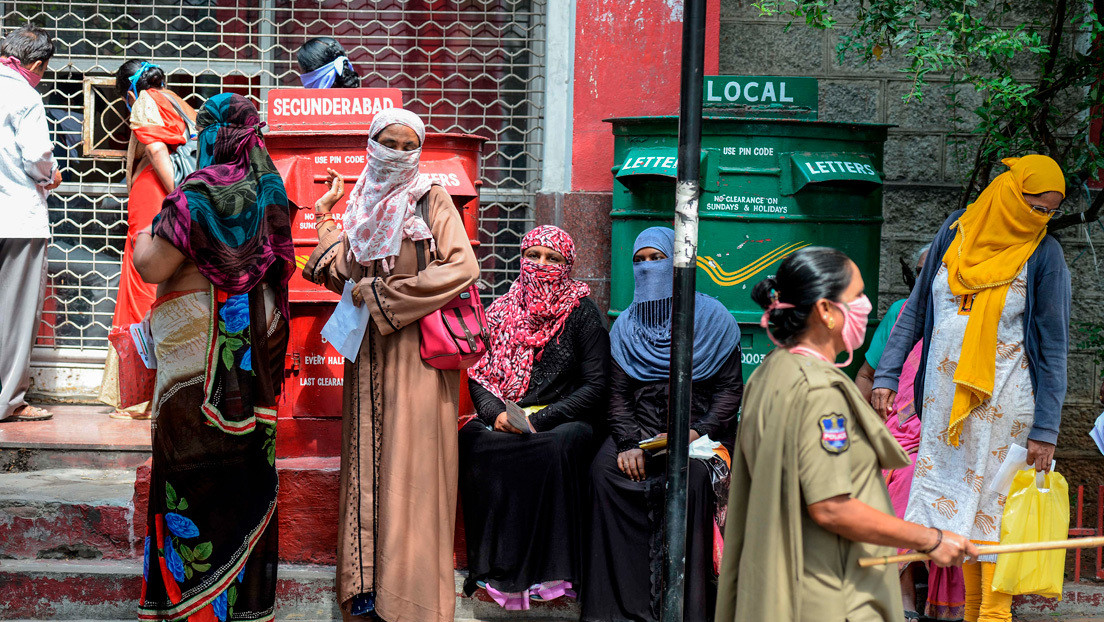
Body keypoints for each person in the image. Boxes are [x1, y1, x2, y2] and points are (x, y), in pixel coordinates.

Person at [715, 246, 975, 622]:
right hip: (819, 592)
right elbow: (831, 506)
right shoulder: (821, 392)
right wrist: (930, 539)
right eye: (856, 297)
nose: (866, 306)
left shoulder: (772, 371)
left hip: (774, 583)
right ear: (825, 311)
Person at [871, 155, 1070, 622]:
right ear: (1009, 192)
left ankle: (994, 615)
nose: (1039, 219)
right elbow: (916, 311)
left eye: (1049, 212)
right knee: (962, 515)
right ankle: (973, 613)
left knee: (994, 518)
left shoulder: (1045, 255)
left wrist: (1047, 428)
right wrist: (886, 374)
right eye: (1033, 206)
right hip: (944, 407)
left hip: (1008, 405)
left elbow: (1054, 348)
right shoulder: (956, 231)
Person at [303, 108, 479, 622]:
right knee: (369, 470)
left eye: (409, 145)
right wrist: (326, 217)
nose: (399, 154)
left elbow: (462, 266)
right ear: (371, 143)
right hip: (369, 358)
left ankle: (416, 604)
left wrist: (385, 295)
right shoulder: (362, 201)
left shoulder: (430, 198)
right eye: (389, 143)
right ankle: (367, 590)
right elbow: (343, 273)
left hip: (417, 358)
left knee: (413, 473)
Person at [130, 93, 294, 621]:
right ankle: (243, 611)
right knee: (244, 477)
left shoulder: (196, 195)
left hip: (193, 373)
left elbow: (153, 267)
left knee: (187, 478)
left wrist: (140, 238)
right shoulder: (271, 191)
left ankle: (188, 610)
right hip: (252, 371)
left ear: (210, 137)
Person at [583, 227, 742, 622]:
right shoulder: (625, 328)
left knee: (690, 483)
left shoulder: (714, 320)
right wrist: (628, 443)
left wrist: (694, 430)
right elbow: (617, 397)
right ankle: (616, 609)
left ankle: (686, 609)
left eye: (659, 259)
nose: (649, 267)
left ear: (680, 265)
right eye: (640, 260)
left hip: (699, 434)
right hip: (639, 430)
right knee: (604, 475)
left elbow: (729, 393)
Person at [460, 225, 609, 610]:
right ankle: (497, 570)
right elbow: (479, 375)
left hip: (561, 420)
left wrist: (539, 421)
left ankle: (552, 575)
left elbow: (595, 387)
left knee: (555, 448)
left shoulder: (581, 312)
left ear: (567, 264)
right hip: (509, 415)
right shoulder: (501, 310)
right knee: (474, 439)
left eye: (553, 258)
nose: (541, 264)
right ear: (521, 258)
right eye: (533, 255)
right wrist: (495, 416)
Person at [857, 244, 967, 621]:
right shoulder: (901, 314)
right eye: (918, 275)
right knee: (890, 478)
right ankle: (902, 604)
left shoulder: (968, 318)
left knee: (918, 482)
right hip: (895, 431)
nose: (925, 282)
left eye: (932, 274)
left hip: (947, 437)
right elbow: (868, 377)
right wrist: (867, 429)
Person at [100, 59, 197, 420]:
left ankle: (139, 395)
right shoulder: (177, 100)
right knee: (159, 285)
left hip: (155, 195)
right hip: (166, 194)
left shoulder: (143, 102)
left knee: (140, 285)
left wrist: (180, 199)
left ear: (128, 90)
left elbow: (156, 150)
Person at [0, 22, 61, 423]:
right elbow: (37, 156)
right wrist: (51, 176)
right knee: (15, 313)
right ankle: (7, 401)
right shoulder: (25, 95)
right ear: (36, 63)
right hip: (16, 217)